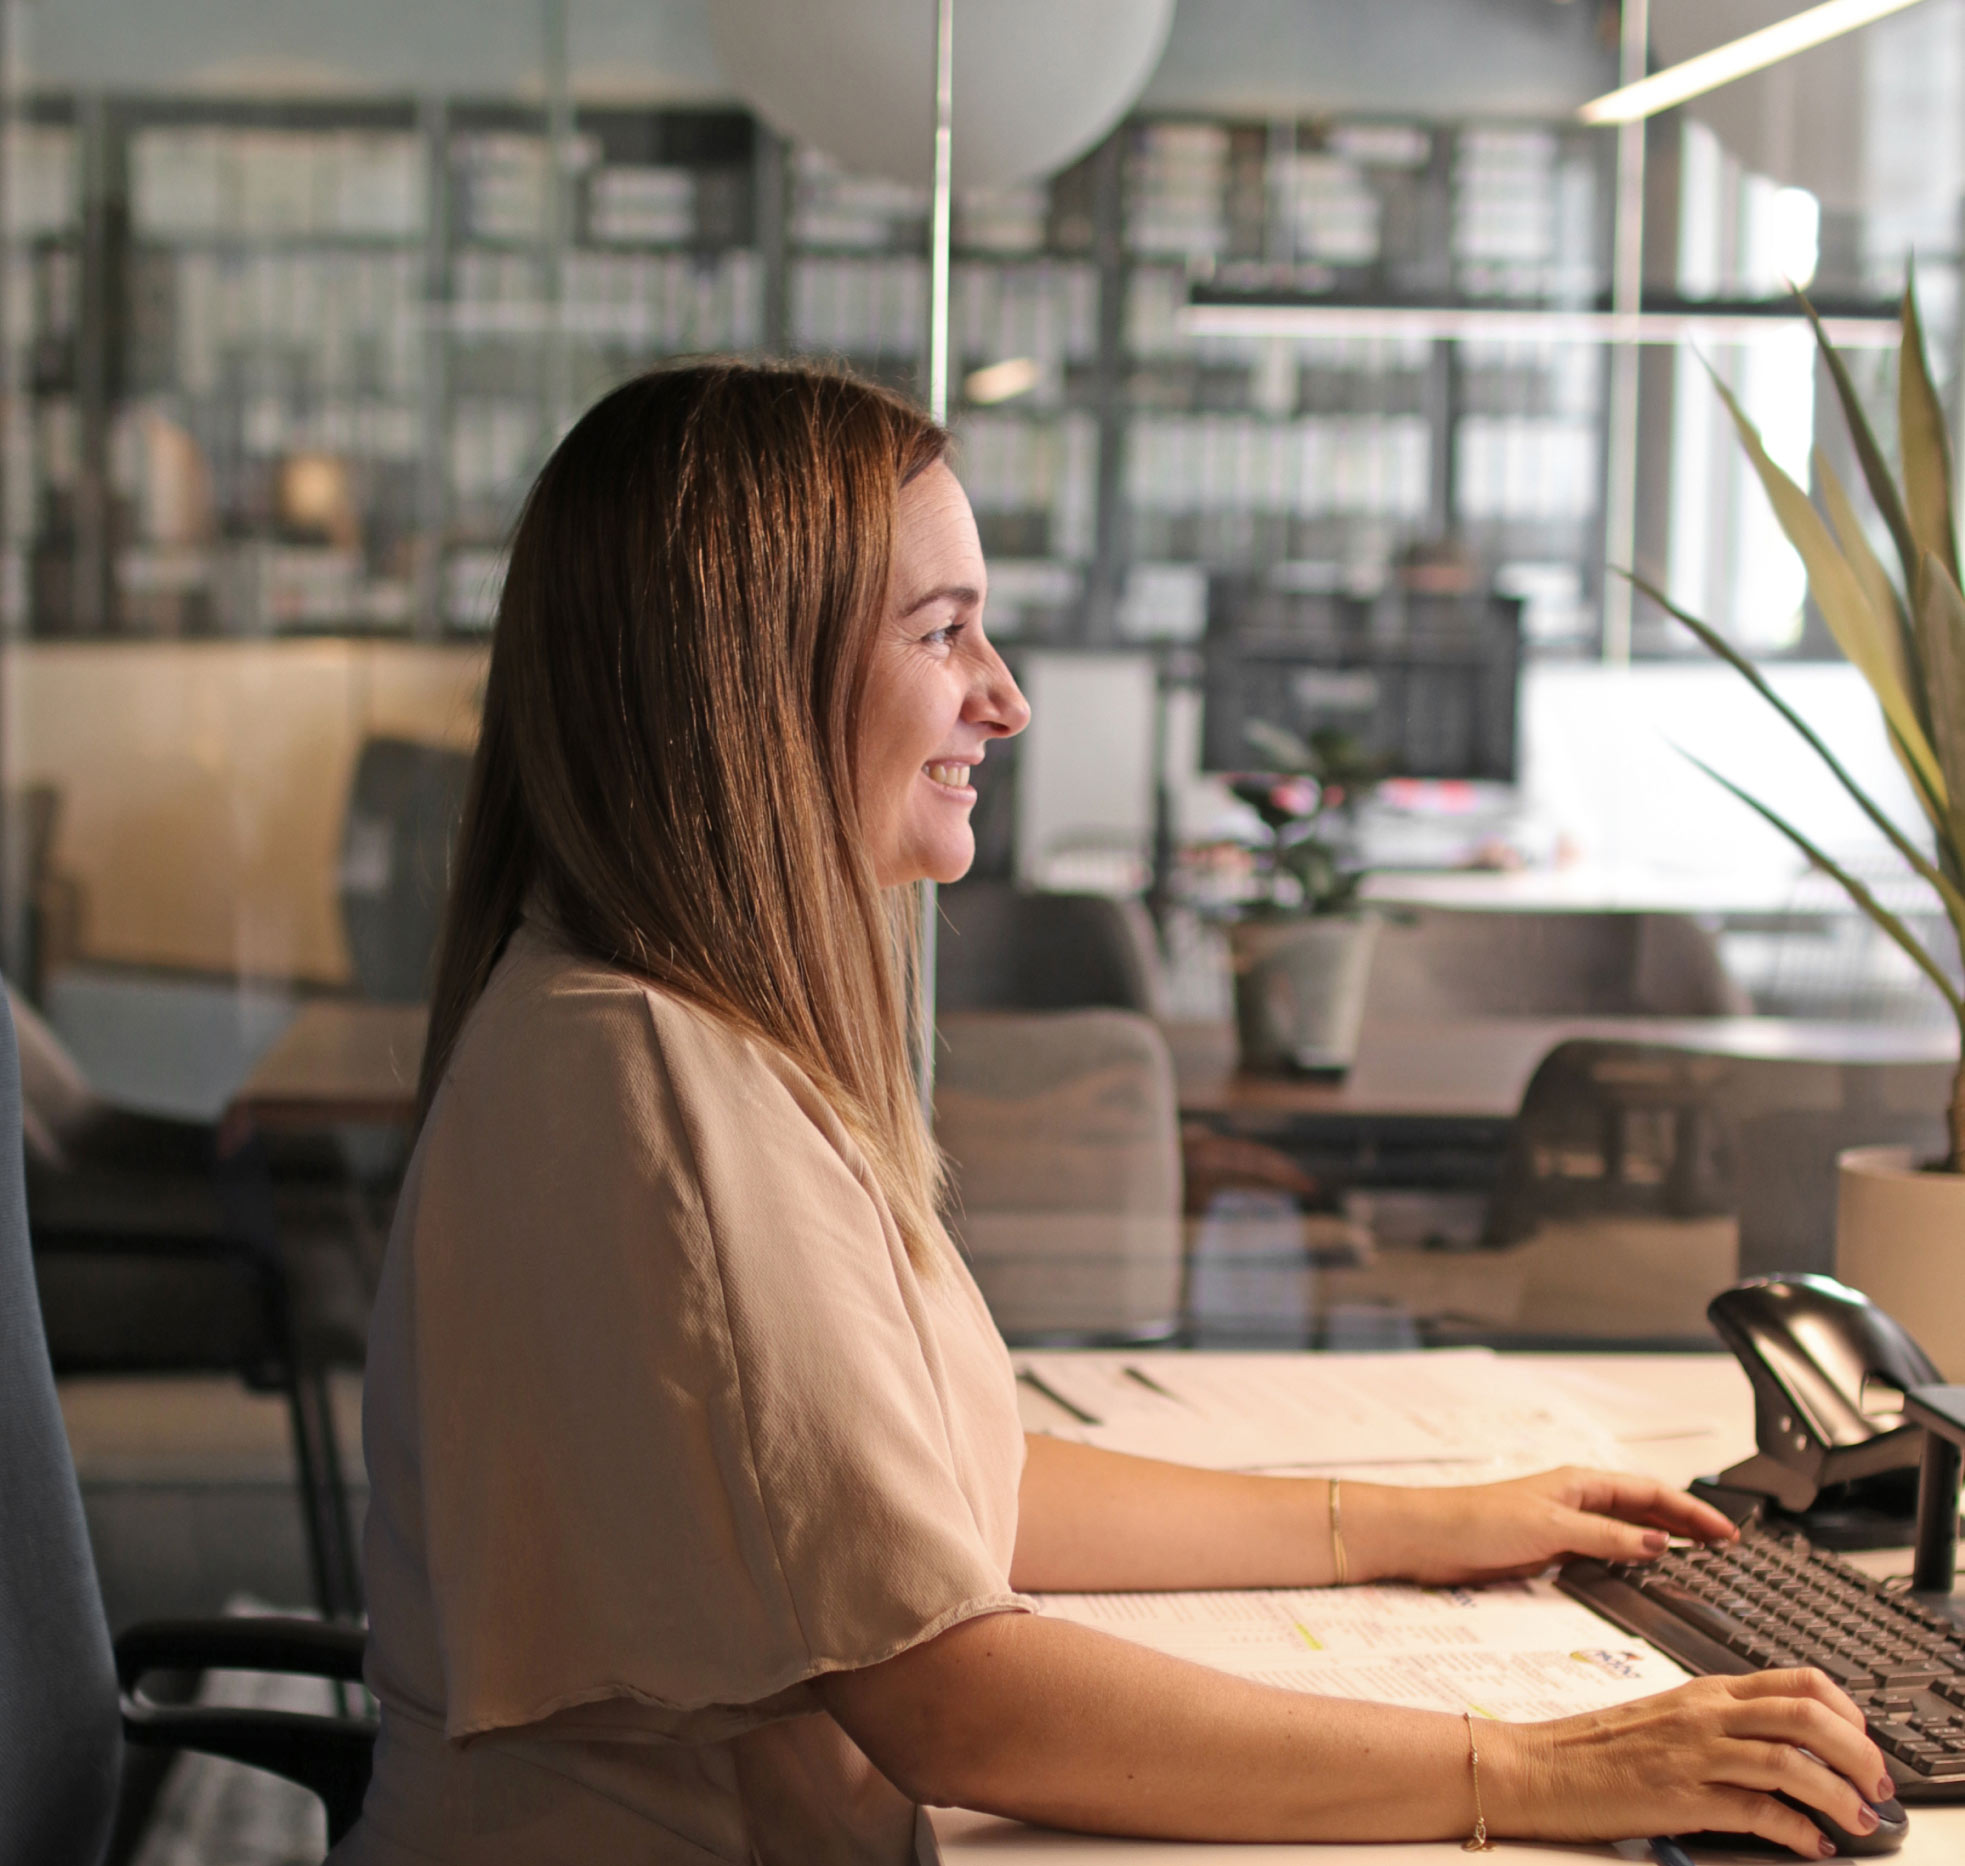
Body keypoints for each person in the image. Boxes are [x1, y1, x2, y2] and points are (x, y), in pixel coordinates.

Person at [333, 362, 1890, 1866]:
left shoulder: (658, 1026)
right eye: (942, 632)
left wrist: (1410, 1523)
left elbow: (954, 1494)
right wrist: (1539, 1768)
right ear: (743, 681)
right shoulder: (649, 1079)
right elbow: (953, 1697)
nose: (1002, 698)